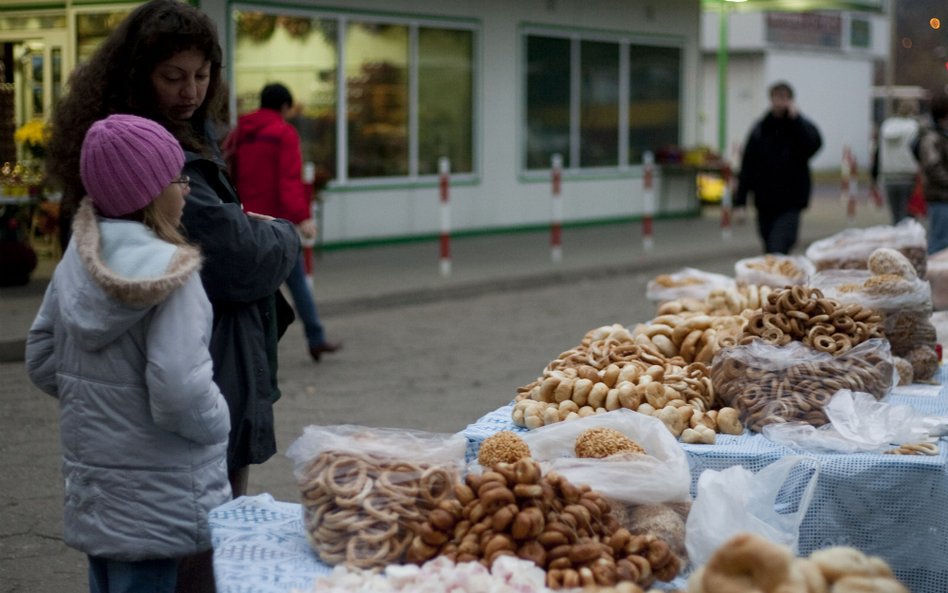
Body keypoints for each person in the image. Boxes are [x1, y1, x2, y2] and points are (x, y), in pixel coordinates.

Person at [45, 2, 300, 590]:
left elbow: (43, 353)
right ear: (139, 76)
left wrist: (99, 400)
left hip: (109, 462)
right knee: (198, 551)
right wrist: (279, 230)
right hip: (196, 414)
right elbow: (240, 261)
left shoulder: (112, 187)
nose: (191, 91)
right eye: (173, 77)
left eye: (202, 75)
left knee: (119, 565)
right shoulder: (156, 168)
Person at [25, 114, 231, 593]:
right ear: (150, 193)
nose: (186, 190)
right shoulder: (172, 275)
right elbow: (180, 390)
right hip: (160, 496)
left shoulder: (77, 261)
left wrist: (99, 402)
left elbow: (40, 358)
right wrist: (218, 421)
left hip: (98, 496)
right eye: (177, 178)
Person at [227, 83, 341, 362]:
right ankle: (314, 338)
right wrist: (302, 217)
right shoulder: (283, 133)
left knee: (253, 287)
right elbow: (288, 180)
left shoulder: (239, 132)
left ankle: (248, 348)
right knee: (297, 281)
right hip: (276, 223)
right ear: (284, 107)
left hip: (246, 221)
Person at [734, 81, 823, 254]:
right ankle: (776, 280)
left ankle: (781, 277)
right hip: (765, 202)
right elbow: (747, 166)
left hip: (790, 202)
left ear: (791, 100)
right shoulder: (760, 128)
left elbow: (814, 145)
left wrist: (796, 120)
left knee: (779, 246)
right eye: (776, 97)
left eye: (784, 97)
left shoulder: (799, 127)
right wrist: (740, 202)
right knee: (769, 249)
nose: (779, 102)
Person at [871, 99, 921, 224]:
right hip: (908, 176)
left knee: (895, 216)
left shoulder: (886, 126)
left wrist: (874, 175)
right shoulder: (914, 128)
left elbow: (878, 153)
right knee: (908, 217)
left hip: (889, 176)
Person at [919, 94, 948, 254]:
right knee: (940, 243)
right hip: (940, 197)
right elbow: (932, 166)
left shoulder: (939, 135)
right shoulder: (932, 137)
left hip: (941, 196)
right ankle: (934, 277)